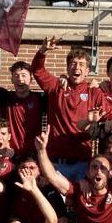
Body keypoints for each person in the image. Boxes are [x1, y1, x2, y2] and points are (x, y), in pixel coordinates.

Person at [30, 36, 107, 181]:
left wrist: (93, 126)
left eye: (81, 64)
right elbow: (37, 71)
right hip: (56, 161)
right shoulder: (57, 86)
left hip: (83, 162)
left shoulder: (94, 91)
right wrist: (43, 51)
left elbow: (108, 118)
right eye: (73, 64)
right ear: (67, 68)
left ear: (87, 71)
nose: (77, 67)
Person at [0, 61, 46, 156]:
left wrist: (63, 78)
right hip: (10, 153)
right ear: (12, 79)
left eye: (24, 75)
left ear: (31, 79)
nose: (20, 79)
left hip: (33, 155)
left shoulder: (40, 99)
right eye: (16, 75)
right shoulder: (6, 97)